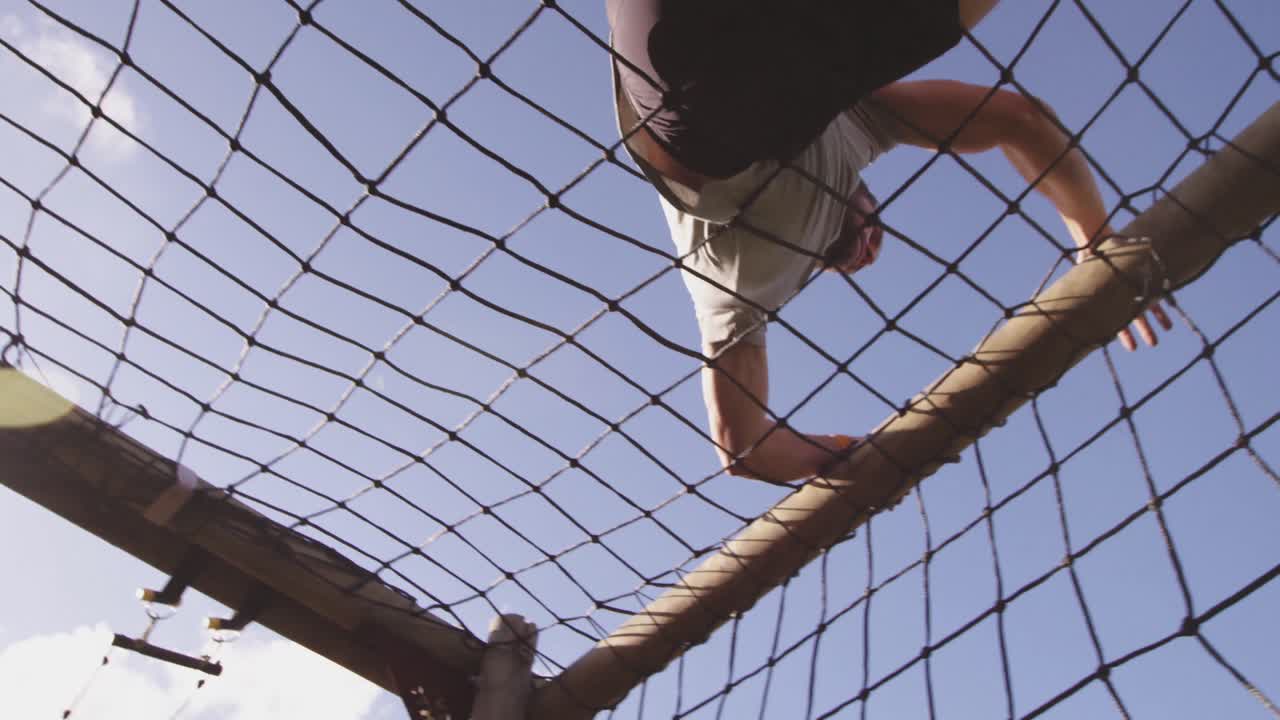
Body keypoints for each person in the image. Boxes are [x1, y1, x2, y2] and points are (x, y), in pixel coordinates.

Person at [607, 0, 1172, 485]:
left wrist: (851, 454)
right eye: (876, 241)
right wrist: (1095, 238)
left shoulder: (739, 301)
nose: (868, 252)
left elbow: (743, 451)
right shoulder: (864, 120)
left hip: (687, 95)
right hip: (770, 55)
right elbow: (1017, 121)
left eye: (856, 256)